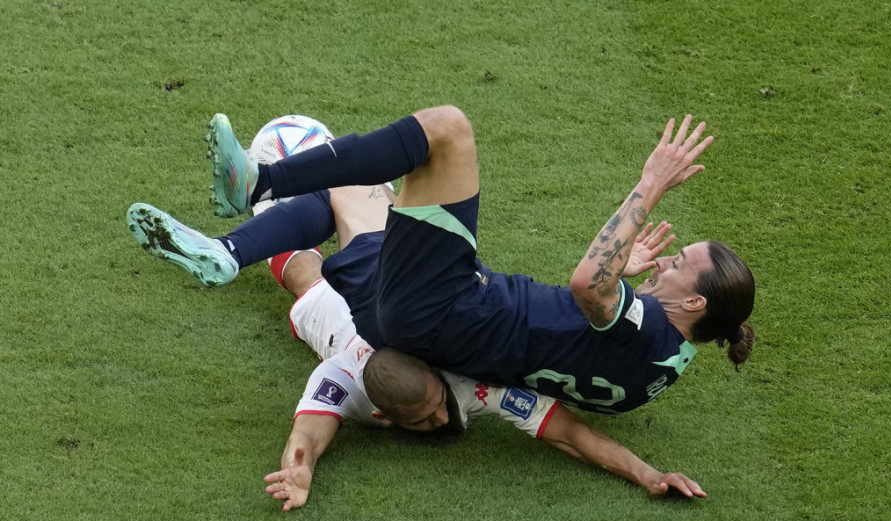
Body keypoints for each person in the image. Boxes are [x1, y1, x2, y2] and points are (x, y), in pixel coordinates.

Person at [128, 175, 706, 508]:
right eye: (427, 418)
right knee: (309, 273)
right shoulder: (343, 376)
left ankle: (261, 211)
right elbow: (308, 432)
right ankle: (265, 203)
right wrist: (299, 469)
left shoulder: (465, 384)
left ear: (437, 370)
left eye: (436, 405)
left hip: (388, 309)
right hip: (342, 321)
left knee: (353, 210)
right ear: (381, 415)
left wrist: (647, 475)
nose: (442, 419)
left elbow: (573, 435)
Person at [198, 108, 755, 415]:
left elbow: (588, 284)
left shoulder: (647, 326)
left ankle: (260, 182)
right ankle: (229, 251)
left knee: (447, 131)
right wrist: (625, 281)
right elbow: (591, 330)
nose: (665, 262)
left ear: (694, 302)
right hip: (415, 333)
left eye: (679, 263)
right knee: (357, 195)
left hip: (450, 300)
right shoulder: (662, 368)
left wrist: (651, 183)